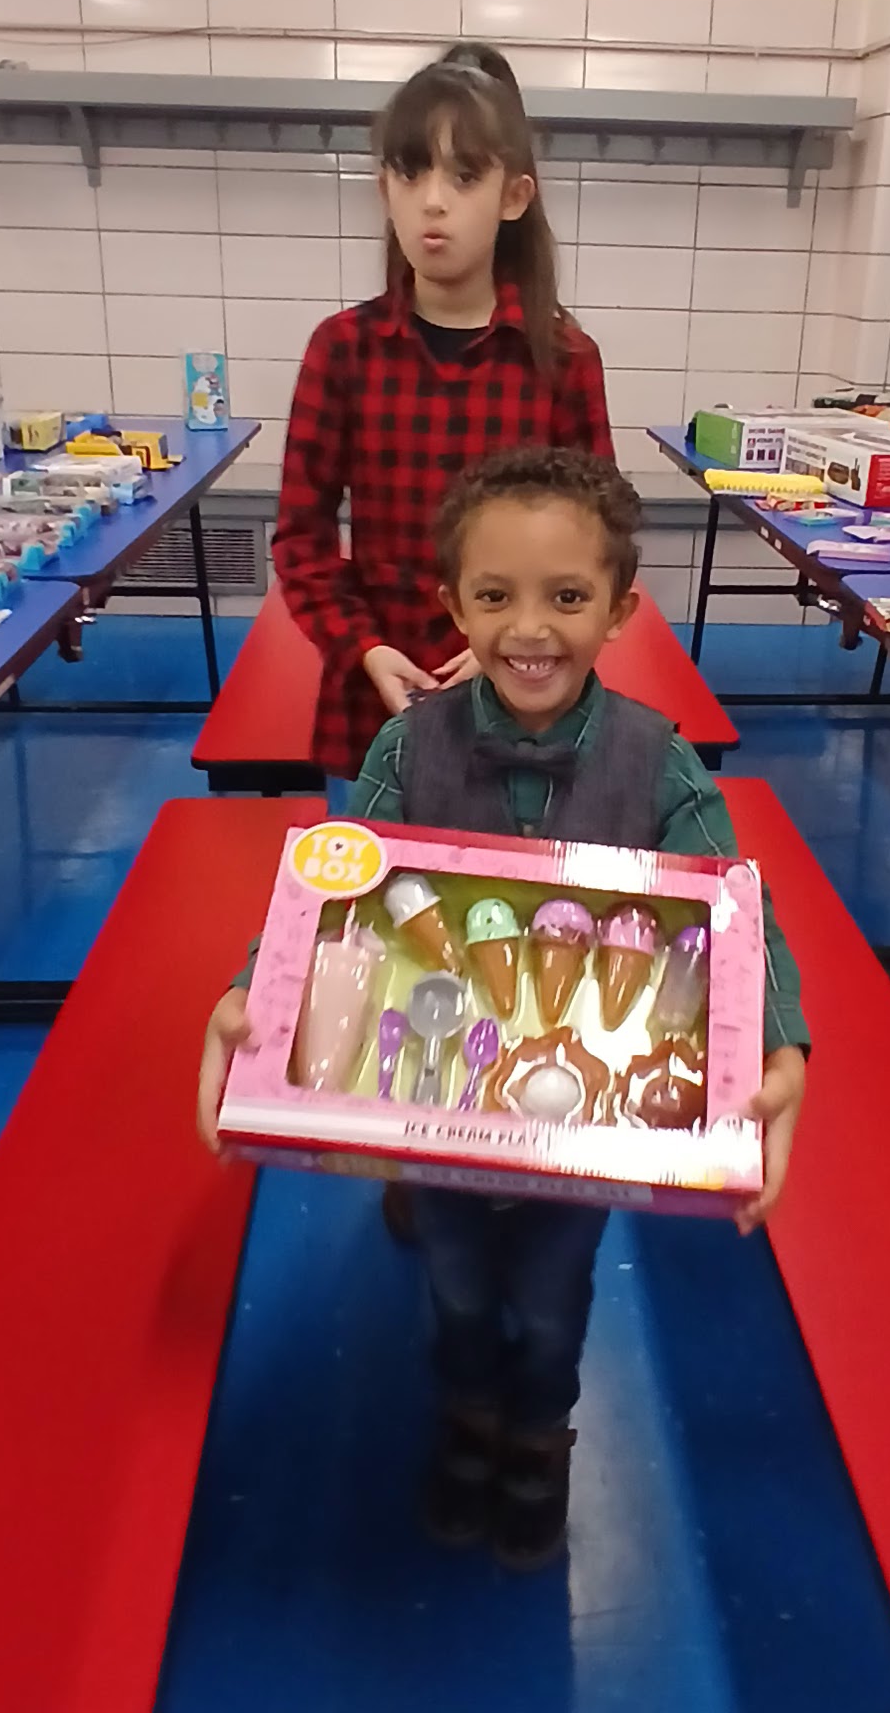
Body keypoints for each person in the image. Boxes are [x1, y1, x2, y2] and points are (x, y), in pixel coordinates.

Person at [196, 448, 810, 1571]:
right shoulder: (409, 743)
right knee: (459, 1282)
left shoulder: (659, 764)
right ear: (453, 605)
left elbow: (737, 919)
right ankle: (468, 1411)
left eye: (567, 596)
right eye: (496, 595)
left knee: (552, 1292)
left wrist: (780, 1047)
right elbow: (336, 884)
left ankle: (539, 1432)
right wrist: (253, 990)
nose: (531, 629)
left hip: (586, 1124)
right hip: (437, 1103)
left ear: (620, 608)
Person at [271, 41, 613, 784]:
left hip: (523, 689)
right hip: (377, 695)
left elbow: (598, 544)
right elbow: (301, 537)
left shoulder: (563, 359)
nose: (433, 200)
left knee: (512, 860)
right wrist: (363, 647)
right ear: (383, 189)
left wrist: (511, 642)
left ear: (513, 197)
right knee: (373, 857)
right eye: (410, 172)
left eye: (463, 176)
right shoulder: (343, 350)